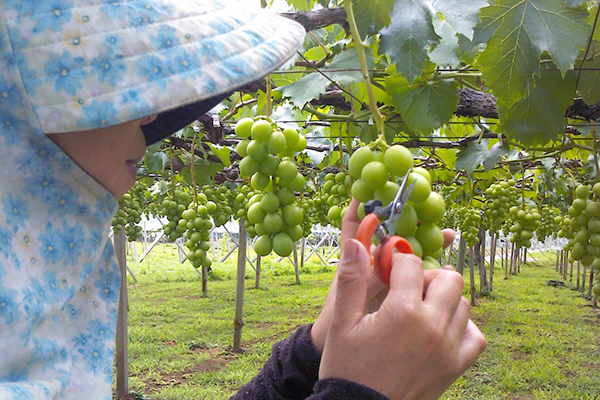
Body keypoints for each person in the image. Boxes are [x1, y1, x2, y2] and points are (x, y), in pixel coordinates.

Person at [0, 0, 486, 399]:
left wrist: (317, 351)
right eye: (126, 91)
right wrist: (358, 394)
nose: (152, 117)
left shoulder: (35, 304)